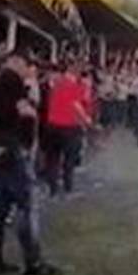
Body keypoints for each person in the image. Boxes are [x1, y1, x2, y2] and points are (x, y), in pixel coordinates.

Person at [0, 52, 60, 275]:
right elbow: (22, 113)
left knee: (1, 205)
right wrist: (27, 109)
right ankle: (33, 264)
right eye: (28, 65)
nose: (30, 70)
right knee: (27, 203)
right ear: (16, 63)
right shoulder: (12, 83)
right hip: (12, 146)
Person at [44, 61, 92, 197]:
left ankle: (52, 188)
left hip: (52, 125)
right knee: (69, 159)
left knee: (53, 158)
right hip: (69, 127)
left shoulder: (56, 84)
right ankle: (67, 186)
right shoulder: (76, 86)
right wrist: (86, 120)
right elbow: (78, 105)